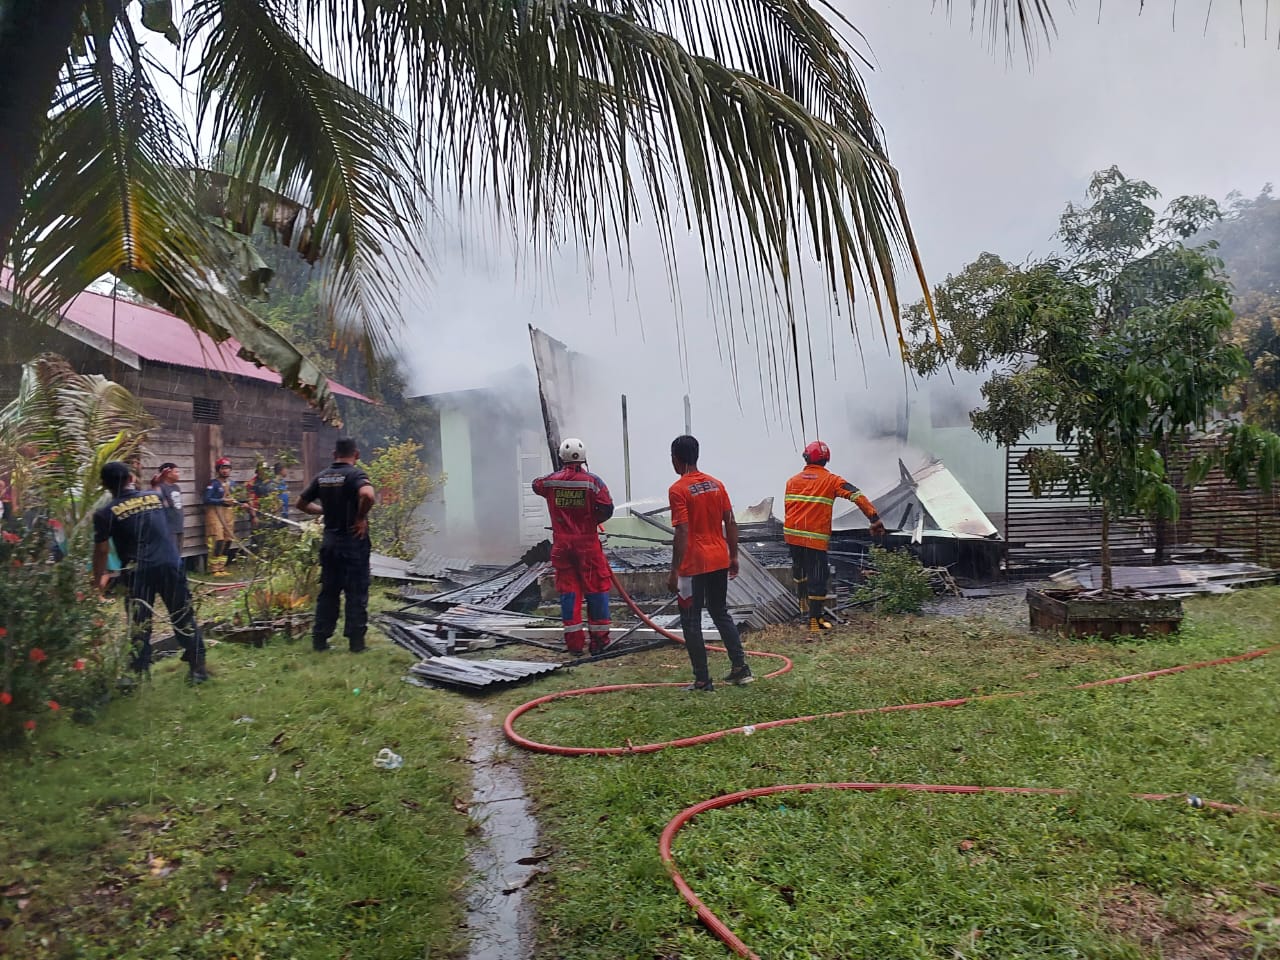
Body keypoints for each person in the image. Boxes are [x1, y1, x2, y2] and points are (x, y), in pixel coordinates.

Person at [92, 461, 208, 683]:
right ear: (131, 479)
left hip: (139, 573)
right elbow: (152, 500)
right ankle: (198, 668)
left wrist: (97, 581)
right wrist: (155, 484)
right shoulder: (154, 498)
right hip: (169, 564)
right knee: (182, 615)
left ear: (104, 485)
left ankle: (137, 674)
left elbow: (102, 551)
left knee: (139, 624)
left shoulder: (105, 513)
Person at [666, 435, 753, 692]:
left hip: (693, 566)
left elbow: (681, 531)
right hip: (718, 558)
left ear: (675, 459)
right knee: (719, 612)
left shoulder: (678, 490)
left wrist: (673, 571)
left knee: (691, 621)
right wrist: (733, 556)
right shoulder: (717, 484)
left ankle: (703, 680)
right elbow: (731, 522)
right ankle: (741, 668)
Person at [783, 440, 886, 632]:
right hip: (814, 539)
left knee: (800, 571)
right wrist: (874, 518)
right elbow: (856, 495)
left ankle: (803, 607)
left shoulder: (792, 481)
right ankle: (815, 622)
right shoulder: (832, 480)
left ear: (806, 457)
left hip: (792, 536)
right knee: (818, 578)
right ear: (826, 460)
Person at [531, 437, 614, 656]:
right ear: (584, 458)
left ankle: (575, 645)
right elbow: (607, 507)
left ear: (561, 458)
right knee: (596, 589)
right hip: (587, 545)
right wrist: (593, 519)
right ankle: (599, 643)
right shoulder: (593, 482)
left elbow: (535, 484)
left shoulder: (550, 482)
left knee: (569, 593)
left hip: (562, 546)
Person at [298, 438, 376, 653]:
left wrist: (324, 511)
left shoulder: (323, 476)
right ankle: (356, 644)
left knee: (329, 592)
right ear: (356, 454)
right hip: (353, 544)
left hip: (330, 544)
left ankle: (320, 640)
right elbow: (368, 495)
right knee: (356, 592)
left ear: (334, 454)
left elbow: (301, 503)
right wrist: (360, 517)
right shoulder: (355, 475)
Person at [203, 456, 237, 576]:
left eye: (227, 468)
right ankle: (214, 568)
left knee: (228, 540)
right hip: (215, 513)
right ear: (218, 469)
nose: (225, 471)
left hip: (229, 513)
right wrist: (220, 501)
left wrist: (243, 503)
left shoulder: (233, 484)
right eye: (223, 468)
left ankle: (222, 566)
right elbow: (206, 499)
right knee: (218, 539)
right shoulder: (213, 484)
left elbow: (238, 497)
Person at [151, 462, 184, 552]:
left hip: (179, 526)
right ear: (168, 474)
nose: (178, 474)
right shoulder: (160, 487)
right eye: (176, 472)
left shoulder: (176, 487)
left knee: (178, 553)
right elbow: (163, 504)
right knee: (170, 553)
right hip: (168, 528)